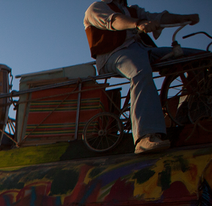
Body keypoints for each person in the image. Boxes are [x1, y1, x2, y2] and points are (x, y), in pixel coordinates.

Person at [83, 2, 202, 154]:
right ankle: (145, 137)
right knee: (139, 71)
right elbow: (115, 21)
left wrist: (184, 17)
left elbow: (158, 17)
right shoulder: (97, 8)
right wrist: (138, 23)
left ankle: (199, 109)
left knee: (195, 57)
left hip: (142, 49)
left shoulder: (132, 10)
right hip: (113, 54)